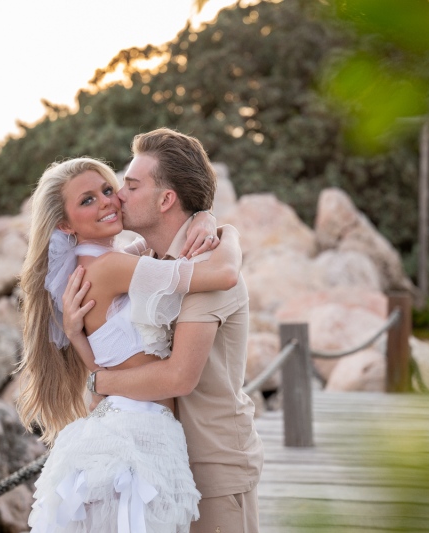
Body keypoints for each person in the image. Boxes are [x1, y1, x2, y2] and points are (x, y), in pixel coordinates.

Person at [16, 156, 243, 533]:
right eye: (87, 200)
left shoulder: (101, 262)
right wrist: (230, 232)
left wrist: (205, 216)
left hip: (124, 425)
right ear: (64, 224)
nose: (106, 201)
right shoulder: (109, 268)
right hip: (138, 436)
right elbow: (224, 273)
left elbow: (105, 363)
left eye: (108, 189)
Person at [64, 128, 263, 533]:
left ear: (166, 199)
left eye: (130, 186)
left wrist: (97, 381)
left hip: (213, 466)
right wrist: (76, 335)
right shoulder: (150, 258)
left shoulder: (205, 269)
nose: (117, 196)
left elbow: (178, 376)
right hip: (160, 462)